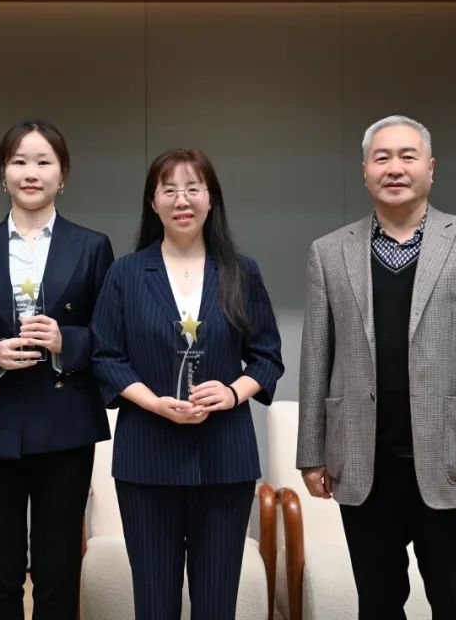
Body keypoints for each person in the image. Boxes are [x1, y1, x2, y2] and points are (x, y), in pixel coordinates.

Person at [296, 114, 456, 620]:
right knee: (376, 603)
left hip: (451, 462)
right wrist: (312, 453)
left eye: (407, 156)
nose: (394, 168)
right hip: (363, 462)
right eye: (382, 158)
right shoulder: (329, 252)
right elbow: (316, 358)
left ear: (431, 168)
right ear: (364, 170)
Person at [91, 148, 284, 620]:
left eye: (193, 188)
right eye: (170, 190)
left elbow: (267, 357)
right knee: (154, 604)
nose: (182, 200)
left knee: (216, 604)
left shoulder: (241, 271)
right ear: (152, 202)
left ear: (211, 198)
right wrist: (154, 403)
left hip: (225, 458)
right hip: (146, 458)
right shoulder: (126, 273)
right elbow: (106, 357)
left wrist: (232, 393)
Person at [0, 120, 114, 620]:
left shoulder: (92, 246)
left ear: (63, 175)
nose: (31, 172)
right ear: (3, 173)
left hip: (65, 424)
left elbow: (110, 334)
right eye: (19, 161)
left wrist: (67, 341)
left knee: (57, 572)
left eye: (44, 162)